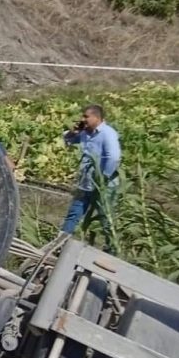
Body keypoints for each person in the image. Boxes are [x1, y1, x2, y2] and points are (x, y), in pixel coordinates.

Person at [60, 103, 121, 254]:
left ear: (96, 117)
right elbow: (68, 140)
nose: (83, 119)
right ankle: (60, 244)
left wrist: (103, 177)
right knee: (74, 214)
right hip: (86, 182)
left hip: (103, 185)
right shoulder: (86, 133)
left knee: (106, 218)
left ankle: (111, 250)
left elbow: (113, 157)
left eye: (86, 116)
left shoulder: (108, 133)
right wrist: (73, 132)